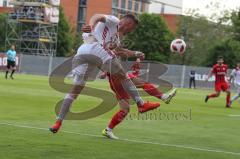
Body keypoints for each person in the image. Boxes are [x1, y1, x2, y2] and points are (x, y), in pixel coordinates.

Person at [49, 14, 160, 133]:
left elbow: (117, 51)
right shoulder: (114, 21)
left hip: (82, 54)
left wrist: (135, 54)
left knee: (75, 90)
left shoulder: (116, 37)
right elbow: (97, 16)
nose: (131, 31)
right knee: (123, 75)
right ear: (128, 24)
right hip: (94, 46)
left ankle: (58, 122)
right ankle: (141, 104)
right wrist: (91, 25)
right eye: (132, 28)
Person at [101, 57, 177, 139]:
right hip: (117, 78)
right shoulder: (106, 48)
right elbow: (109, 58)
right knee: (143, 84)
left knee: (125, 110)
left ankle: (108, 130)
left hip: (118, 78)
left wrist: (135, 56)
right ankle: (160, 98)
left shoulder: (108, 49)